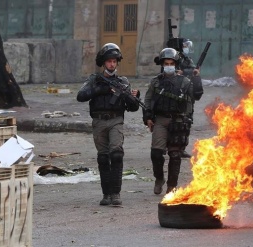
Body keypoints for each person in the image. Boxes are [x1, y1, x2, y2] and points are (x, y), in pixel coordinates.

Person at [76, 43, 140, 206]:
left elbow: (133, 107)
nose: (112, 64)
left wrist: (134, 96)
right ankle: (106, 194)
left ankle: (116, 194)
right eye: (109, 61)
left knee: (116, 154)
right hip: (98, 121)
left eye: (114, 61)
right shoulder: (94, 80)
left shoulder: (123, 81)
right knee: (103, 158)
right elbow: (81, 96)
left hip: (115, 120)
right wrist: (100, 90)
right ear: (103, 62)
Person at [143, 48, 203, 195]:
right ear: (162, 65)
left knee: (175, 155)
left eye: (171, 63)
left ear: (176, 65)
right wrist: (148, 118)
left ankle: (171, 186)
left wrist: (196, 78)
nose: (168, 65)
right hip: (160, 120)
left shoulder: (185, 82)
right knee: (156, 153)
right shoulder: (156, 82)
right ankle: (159, 179)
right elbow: (148, 100)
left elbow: (197, 95)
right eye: (166, 63)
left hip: (178, 121)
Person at [176, 38, 203, 158]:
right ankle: (172, 147)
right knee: (176, 122)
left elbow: (192, 72)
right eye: (185, 45)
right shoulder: (174, 58)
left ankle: (181, 148)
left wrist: (195, 72)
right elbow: (177, 72)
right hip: (177, 94)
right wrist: (190, 71)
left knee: (187, 122)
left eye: (188, 45)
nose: (187, 47)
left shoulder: (188, 60)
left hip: (188, 94)